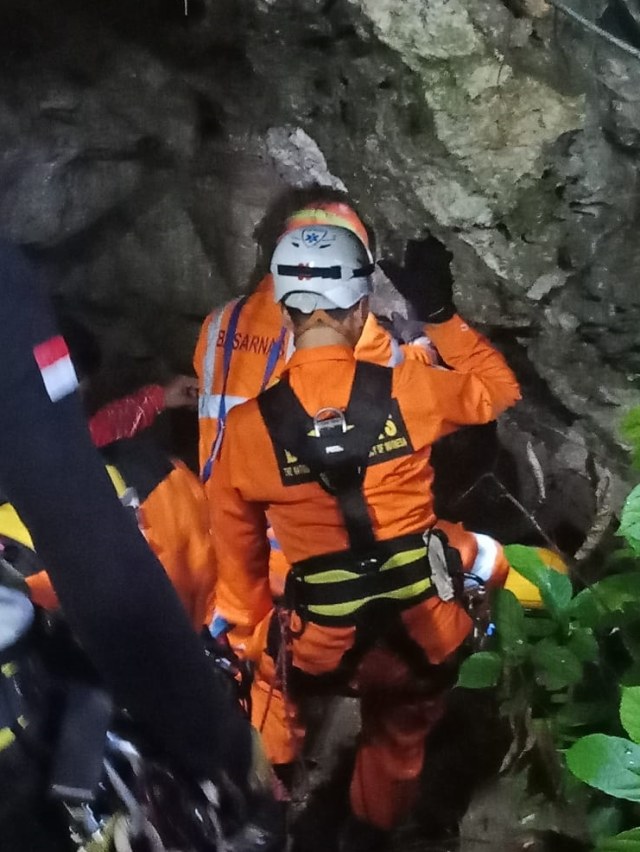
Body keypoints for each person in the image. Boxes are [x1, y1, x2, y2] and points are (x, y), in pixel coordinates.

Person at [210, 223, 521, 846]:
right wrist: (439, 314)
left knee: (274, 687)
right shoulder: (409, 386)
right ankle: (367, 834)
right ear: (359, 307)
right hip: (421, 630)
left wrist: (257, 652)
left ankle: (270, 796)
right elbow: (498, 390)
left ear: (284, 310)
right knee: (399, 740)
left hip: (318, 639)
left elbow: (240, 577)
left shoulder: (244, 433)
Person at [0, 241, 277, 849]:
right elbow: (95, 546)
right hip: (177, 630)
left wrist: (152, 400)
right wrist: (217, 747)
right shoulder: (152, 486)